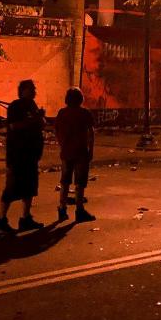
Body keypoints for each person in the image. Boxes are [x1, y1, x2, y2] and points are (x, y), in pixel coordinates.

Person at [0, 79, 46, 233]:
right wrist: (34, 120)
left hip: (31, 154)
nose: (34, 91)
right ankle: (1, 220)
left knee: (30, 187)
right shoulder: (15, 106)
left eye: (34, 89)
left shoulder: (32, 105)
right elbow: (14, 125)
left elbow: (39, 123)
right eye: (31, 89)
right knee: (11, 188)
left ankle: (26, 218)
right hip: (18, 154)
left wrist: (40, 119)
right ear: (22, 90)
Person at [54, 87, 96, 223]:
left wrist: (63, 145)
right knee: (80, 182)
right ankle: (79, 209)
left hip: (67, 151)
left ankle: (62, 208)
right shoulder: (84, 113)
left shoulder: (62, 113)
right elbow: (91, 133)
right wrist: (91, 150)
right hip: (81, 151)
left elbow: (57, 131)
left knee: (65, 181)